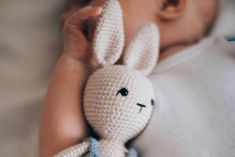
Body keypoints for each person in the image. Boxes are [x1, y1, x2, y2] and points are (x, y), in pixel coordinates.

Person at [40, 0, 235, 156]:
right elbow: (65, 150)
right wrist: (75, 61)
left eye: (85, 1)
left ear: (170, 3)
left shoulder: (224, 49)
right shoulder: (110, 100)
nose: (66, 18)